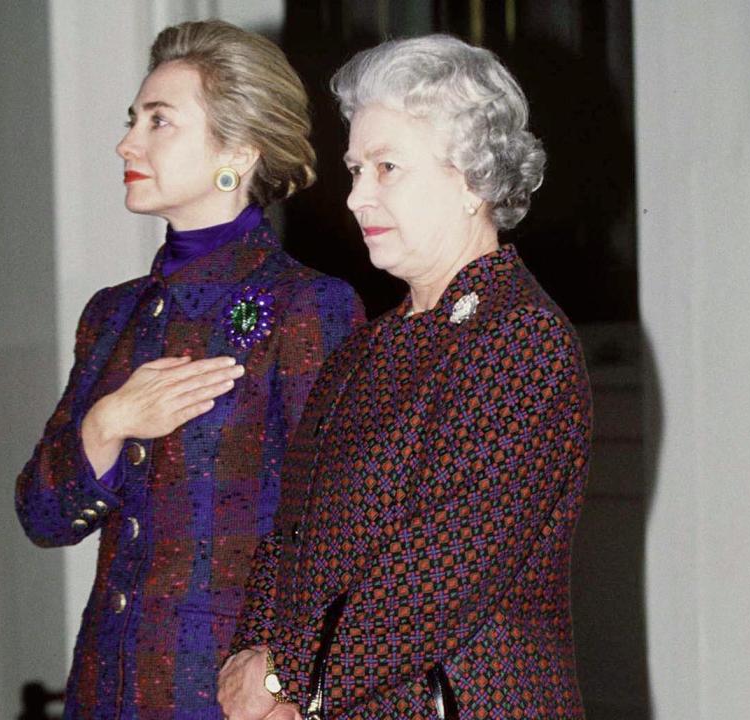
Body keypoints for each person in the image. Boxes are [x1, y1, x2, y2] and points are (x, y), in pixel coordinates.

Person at [218, 35, 592, 719]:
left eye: (387, 168)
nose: (358, 197)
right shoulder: (366, 348)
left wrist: (284, 677)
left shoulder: (519, 341)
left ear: (472, 177)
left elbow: (444, 569)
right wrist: (251, 665)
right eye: (355, 169)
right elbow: (289, 536)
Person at [15, 20, 364, 720]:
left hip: (232, 698)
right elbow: (43, 515)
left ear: (235, 152)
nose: (127, 143)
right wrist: (110, 421)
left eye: (158, 122)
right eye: (132, 120)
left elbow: (340, 528)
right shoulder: (111, 316)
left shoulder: (308, 305)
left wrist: (288, 684)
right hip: (107, 692)